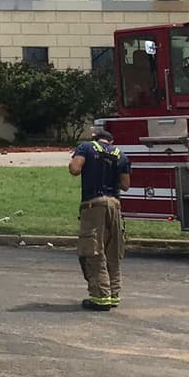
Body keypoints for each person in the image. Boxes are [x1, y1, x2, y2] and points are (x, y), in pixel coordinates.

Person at [68, 128, 131, 310]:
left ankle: (100, 297)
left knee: (93, 250)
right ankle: (113, 295)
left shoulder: (86, 147)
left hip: (94, 204)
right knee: (113, 250)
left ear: (96, 138)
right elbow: (126, 185)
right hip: (115, 205)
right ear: (110, 142)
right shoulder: (121, 154)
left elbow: (75, 169)